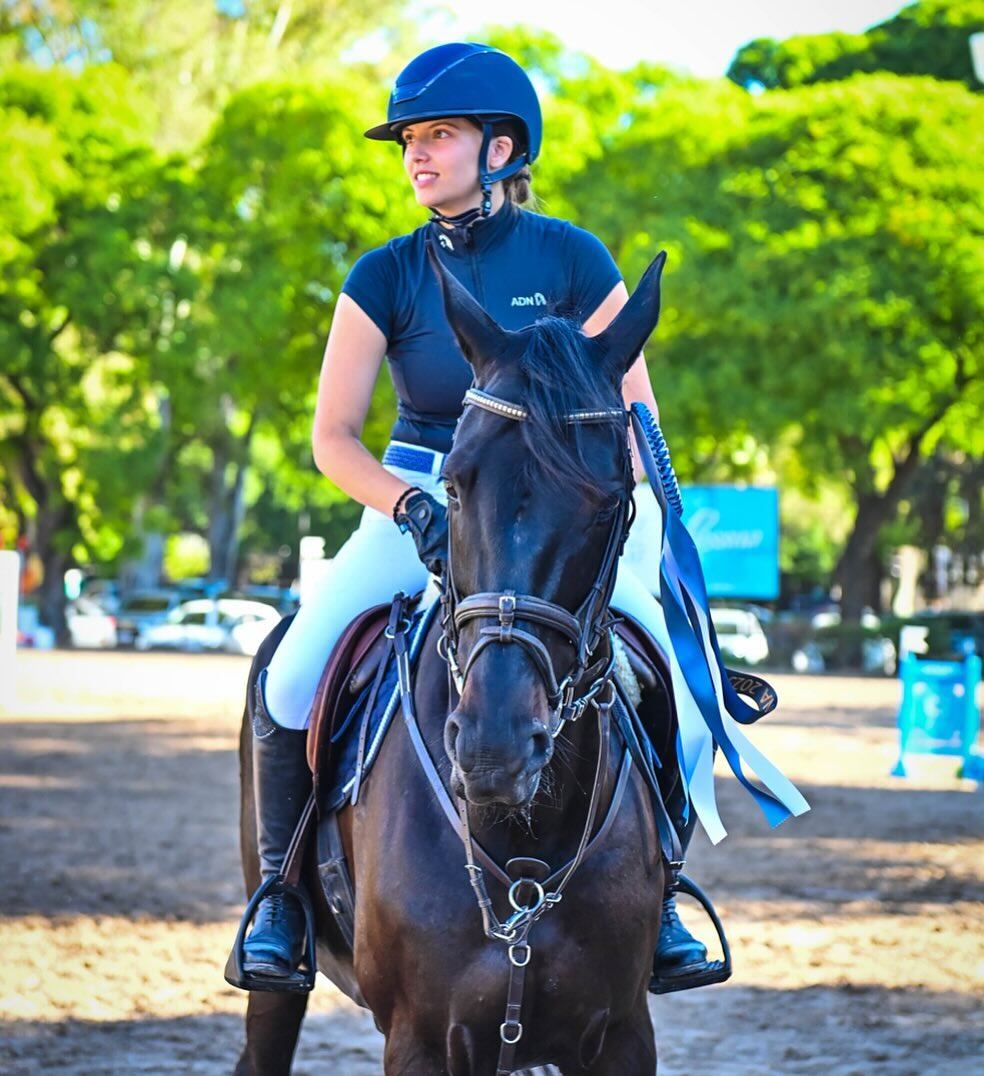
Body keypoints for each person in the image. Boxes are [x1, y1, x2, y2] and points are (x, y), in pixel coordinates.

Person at [233, 41, 723, 992]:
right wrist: (410, 504)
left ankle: (660, 897)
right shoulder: (385, 275)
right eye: (409, 139)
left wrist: (606, 513)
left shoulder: (573, 257)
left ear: (501, 149)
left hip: (565, 507)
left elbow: (637, 414)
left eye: (439, 135)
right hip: (424, 496)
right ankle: (284, 902)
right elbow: (334, 439)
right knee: (290, 676)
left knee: (672, 673)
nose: (417, 154)